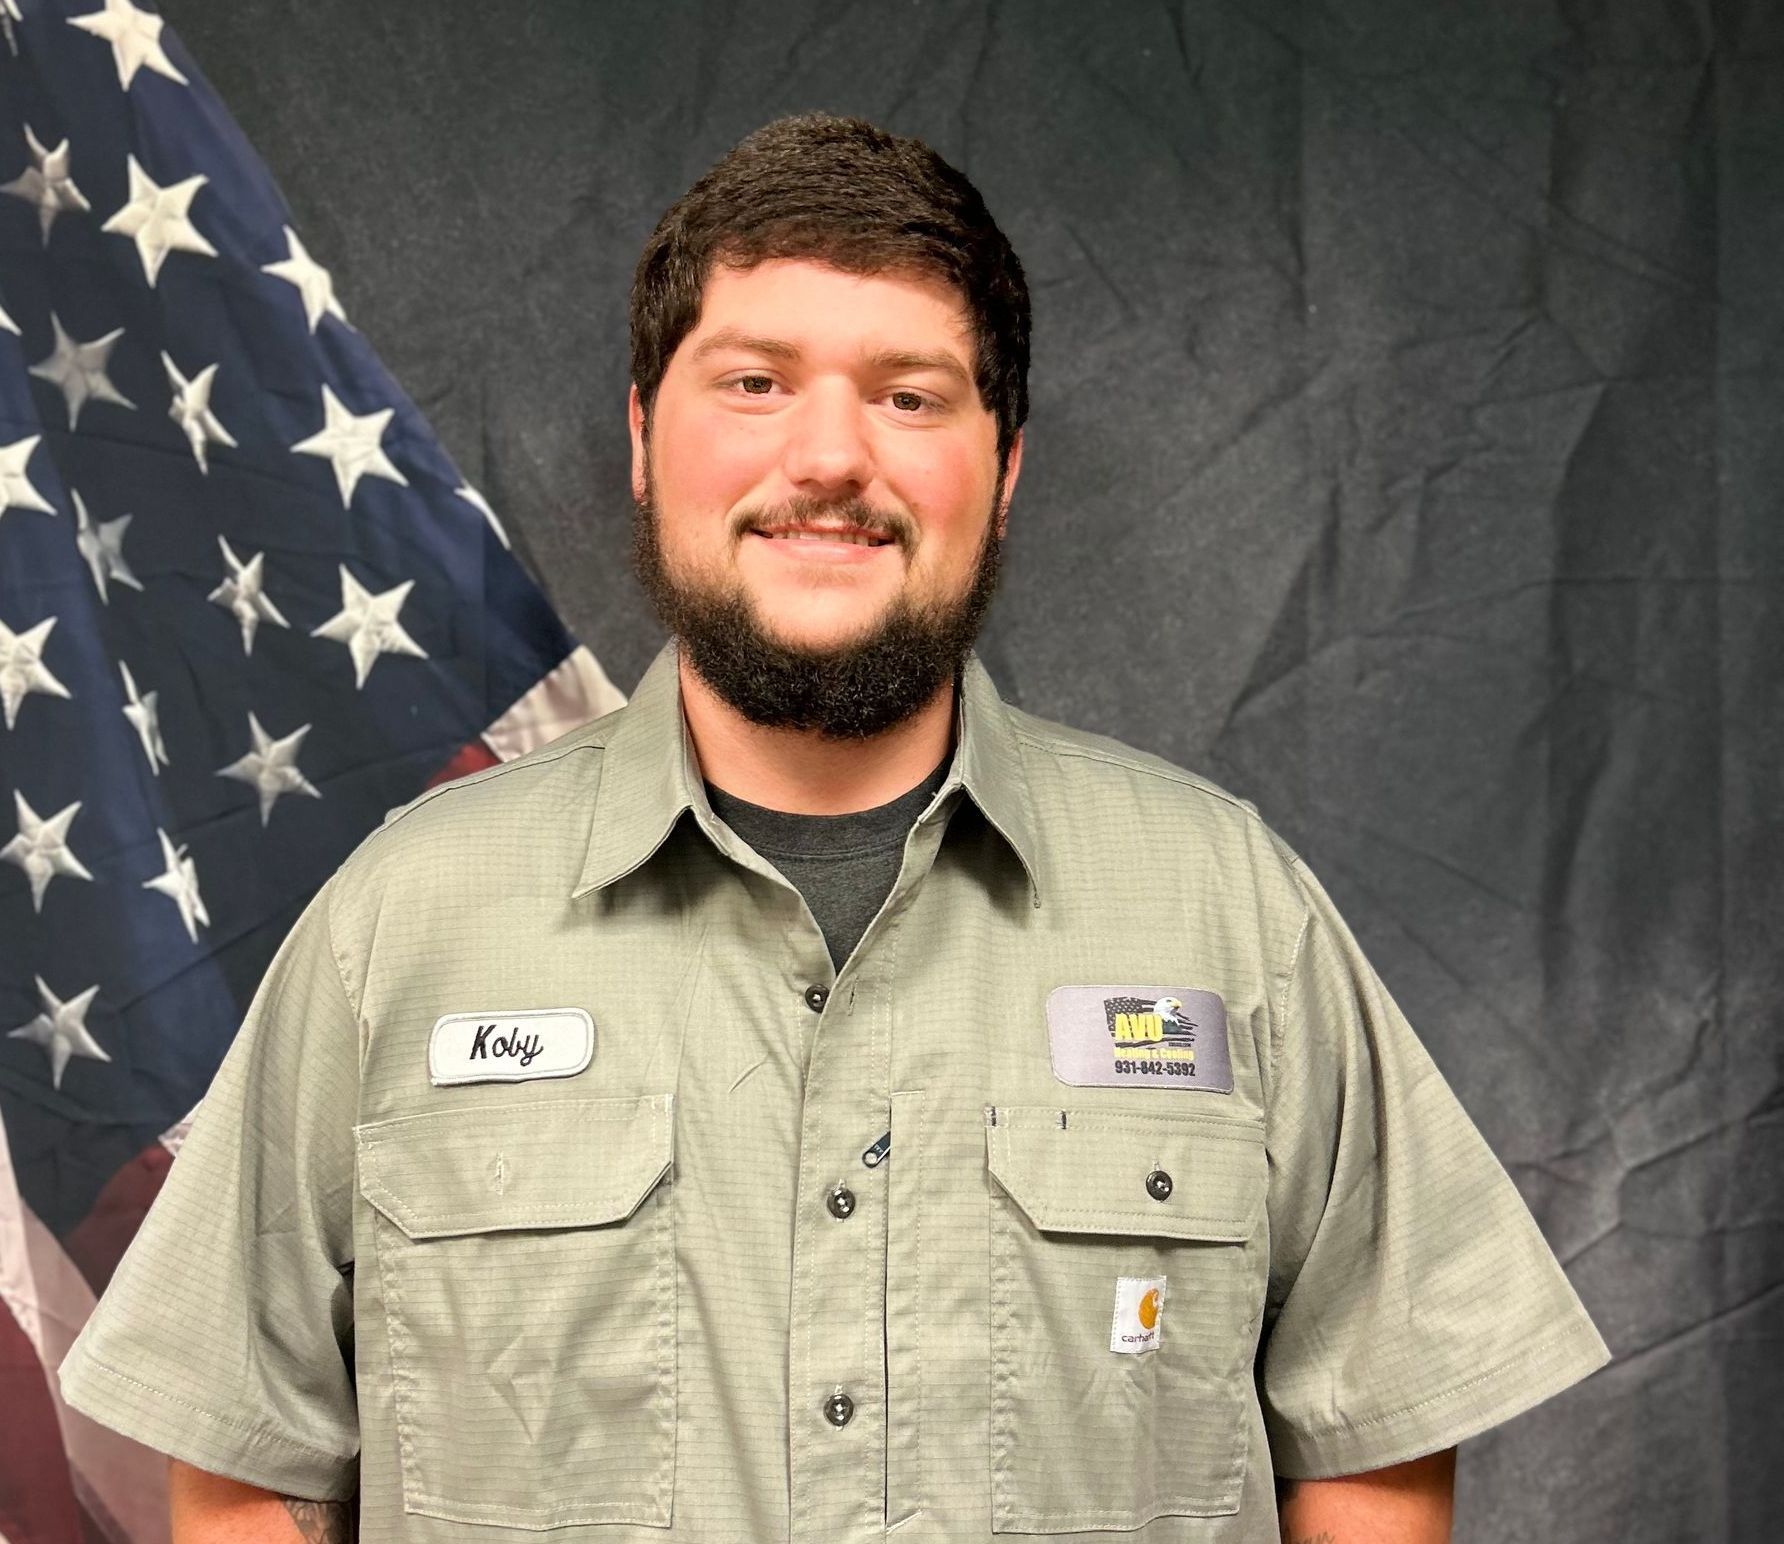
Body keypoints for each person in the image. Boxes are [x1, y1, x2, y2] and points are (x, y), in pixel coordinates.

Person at [59, 113, 1611, 1544]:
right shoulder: (402, 923)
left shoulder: (1228, 910)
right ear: (645, 438)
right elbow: (246, 1478)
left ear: (1001, 470)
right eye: (753, 381)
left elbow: (1373, 1447)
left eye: (909, 394)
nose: (826, 458)